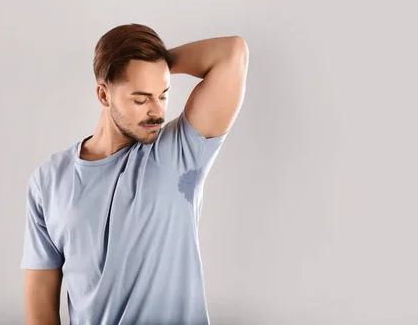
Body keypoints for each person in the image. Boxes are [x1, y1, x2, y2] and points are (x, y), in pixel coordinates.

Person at [21, 23, 249, 325]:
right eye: (141, 99)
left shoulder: (179, 153)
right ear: (104, 95)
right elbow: (40, 301)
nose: (157, 111)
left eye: (163, 95)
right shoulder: (49, 180)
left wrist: (160, 62)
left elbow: (233, 53)